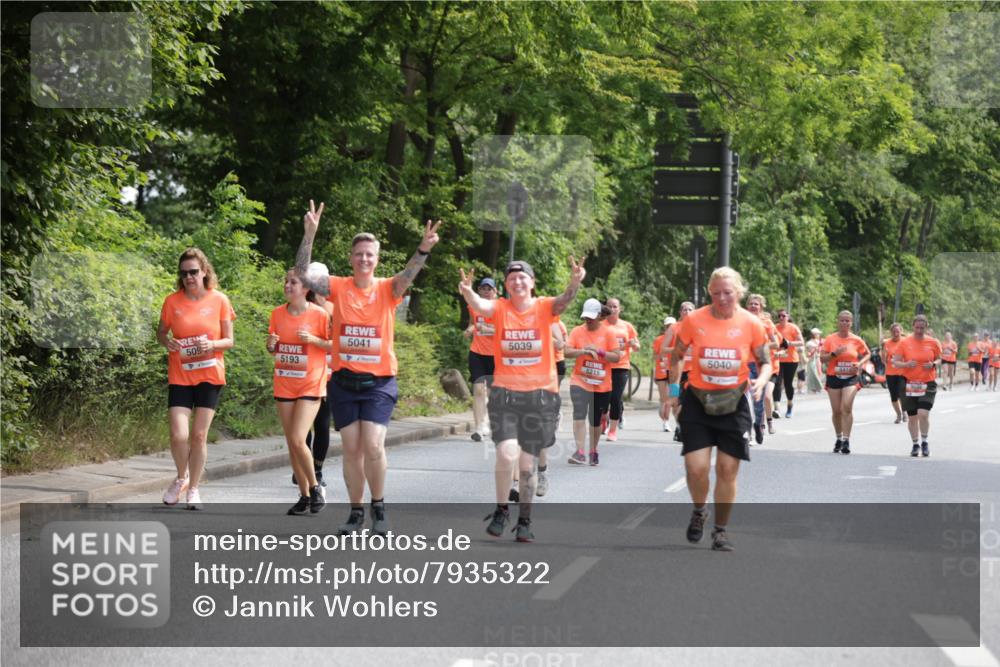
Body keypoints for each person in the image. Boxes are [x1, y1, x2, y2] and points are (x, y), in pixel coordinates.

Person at [295, 199, 441, 535]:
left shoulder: (388, 289)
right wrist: (309, 235)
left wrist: (422, 249)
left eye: (369, 255)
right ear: (351, 258)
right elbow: (302, 274)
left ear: (376, 261)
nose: (364, 259)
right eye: (358, 254)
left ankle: (379, 505)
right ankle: (356, 512)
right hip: (344, 381)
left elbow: (410, 274)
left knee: (373, 445)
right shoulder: (338, 286)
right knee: (352, 448)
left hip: (379, 382)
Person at [459, 257, 585, 543]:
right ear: (506, 285)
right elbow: (481, 305)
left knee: (527, 465)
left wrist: (575, 282)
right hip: (505, 394)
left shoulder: (543, 308)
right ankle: (502, 509)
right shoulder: (500, 308)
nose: (517, 281)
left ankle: (525, 519)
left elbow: (565, 301)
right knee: (506, 454)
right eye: (512, 278)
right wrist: (467, 291)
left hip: (539, 396)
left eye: (522, 277)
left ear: (532, 282)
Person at [667, 267, 771, 553]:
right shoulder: (693, 320)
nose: (722, 298)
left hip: (735, 402)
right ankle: (700, 510)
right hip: (698, 401)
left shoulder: (751, 323)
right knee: (696, 467)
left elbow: (766, 361)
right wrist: (674, 393)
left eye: (728, 293)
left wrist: (761, 381)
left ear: (739, 292)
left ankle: (721, 532)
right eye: (716, 293)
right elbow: (675, 357)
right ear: (709, 294)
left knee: (727, 469)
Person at [157, 248, 236, 511]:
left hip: (209, 375)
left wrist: (210, 345)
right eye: (184, 273)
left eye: (193, 271)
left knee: (199, 436)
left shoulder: (219, 300)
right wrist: (166, 341)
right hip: (180, 374)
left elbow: (229, 340)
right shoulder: (172, 301)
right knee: (179, 434)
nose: (189, 277)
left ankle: (194, 489)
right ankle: (182, 477)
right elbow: (162, 332)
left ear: (204, 271)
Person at [268, 269, 332, 515]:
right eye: (285, 281)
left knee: (298, 437)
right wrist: (271, 346)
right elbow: (274, 348)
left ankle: (315, 488)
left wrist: (314, 341)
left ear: (306, 288)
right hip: (284, 381)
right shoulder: (276, 314)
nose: (287, 285)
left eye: (293, 282)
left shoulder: (319, 315)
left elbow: (333, 344)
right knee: (292, 443)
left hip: (310, 382)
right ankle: (304, 496)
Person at [565, 299, 621, 466]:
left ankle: (593, 450)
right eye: (585, 317)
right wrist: (583, 351)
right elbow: (567, 352)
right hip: (580, 380)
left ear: (598, 315)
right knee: (579, 413)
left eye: (591, 317)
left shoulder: (609, 333)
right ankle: (580, 451)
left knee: (595, 420)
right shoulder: (577, 331)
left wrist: (600, 352)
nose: (587, 320)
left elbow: (617, 357)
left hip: (601, 383)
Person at [299, 263, 334, 493]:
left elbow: (340, 342)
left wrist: (314, 341)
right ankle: (303, 467)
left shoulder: (334, 307)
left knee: (322, 425)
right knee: (303, 429)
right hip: (303, 373)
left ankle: (317, 470)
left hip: (330, 375)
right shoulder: (301, 305)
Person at [820, 311, 870, 454]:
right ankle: (839, 438)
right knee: (836, 411)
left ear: (851, 323)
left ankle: (846, 440)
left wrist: (859, 364)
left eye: (847, 321)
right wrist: (834, 354)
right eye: (842, 320)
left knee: (846, 407)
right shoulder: (830, 339)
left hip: (851, 377)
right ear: (838, 321)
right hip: (834, 376)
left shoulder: (856, 340)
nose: (844, 323)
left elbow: (867, 354)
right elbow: (822, 359)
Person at [893, 315, 942, 457]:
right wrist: (907, 364)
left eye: (922, 327)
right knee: (913, 417)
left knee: (923, 414)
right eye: (917, 327)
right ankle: (915, 444)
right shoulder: (905, 342)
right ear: (913, 326)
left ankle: (925, 442)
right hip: (909, 382)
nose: (919, 330)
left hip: (927, 382)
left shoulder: (933, 342)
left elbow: (940, 358)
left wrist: (933, 364)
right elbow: (896, 362)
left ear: (926, 327)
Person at [464, 277, 497, 442]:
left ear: (495, 292)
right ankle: (478, 427)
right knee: (478, 390)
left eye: (489, 289)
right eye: (483, 288)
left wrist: (488, 329)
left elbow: (505, 330)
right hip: (476, 351)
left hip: (495, 355)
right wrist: (469, 330)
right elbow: (473, 323)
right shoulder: (473, 307)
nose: (486, 291)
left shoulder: (500, 308)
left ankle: (488, 422)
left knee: (491, 393)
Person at [745, 294, 782, 443]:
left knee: (757, 400)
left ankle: (757, 425)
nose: (753, 306)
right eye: (751, 304)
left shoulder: (767, 323)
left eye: (756, 304)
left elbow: (776, 344)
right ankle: (749, 433)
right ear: (747, 305)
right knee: (744, 400)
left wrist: (760, 347)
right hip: (744, 364)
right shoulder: (741, 320)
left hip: (760, 365)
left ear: (761, 306)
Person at [603, 297, 640, 441]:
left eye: (615, 306)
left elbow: (637, 346)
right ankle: (603, 420)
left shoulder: (627, 326)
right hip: (604, 366)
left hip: (621, 366)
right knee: (603, 399)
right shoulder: (600, 326)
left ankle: (612, 431)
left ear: (620, 309)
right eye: (609, 306)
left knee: (615, 397)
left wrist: (633, 344)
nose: (612, 309)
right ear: (605, 308)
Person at [671, 301, 696, 443]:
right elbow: (663, 349)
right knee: (675, 402)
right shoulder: (674, 328)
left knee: (686, 402)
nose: (687, 312)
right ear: (680, 312)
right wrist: (679, 350)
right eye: (684, 310)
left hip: (693, 372)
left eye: (690, 309)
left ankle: (684, 427)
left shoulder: (700, 328)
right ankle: (680, 426)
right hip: (675, 372)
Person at [773, 308, 805, 418]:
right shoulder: (775, 328)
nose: (781, 318)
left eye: (783, 315)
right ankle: (776, 409)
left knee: (788, 384)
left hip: (791, 360)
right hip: (777, 359)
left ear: (788, 317)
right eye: (779, 316)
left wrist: (789, 343)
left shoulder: (793, 327)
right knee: (776, 383)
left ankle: (790, 406)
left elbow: (801, 342)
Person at [653, 316, 677, 432]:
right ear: (665, 327)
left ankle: (675, 424)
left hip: (675, 372)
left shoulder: (679, 339)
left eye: (672, 326)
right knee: (665, 398)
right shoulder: (659, 340)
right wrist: (661, 356)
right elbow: (654, 356)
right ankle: (665, 421)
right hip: (662, 371)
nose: (670, 328)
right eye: (668, 326)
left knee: (674, 397)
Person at [881, 323, 907, 424]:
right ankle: (898, 414)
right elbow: (883, 359)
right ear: (891, 332)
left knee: (902, 393)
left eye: (898, 331)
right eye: (894, 331)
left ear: (901, 331)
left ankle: (904, 412)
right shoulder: (887, 343)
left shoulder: (905, 342)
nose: (896, 333)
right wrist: (886, 361)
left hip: (902, 372)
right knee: (894, 396)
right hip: (890, 373)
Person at [805, 328, 824, 394]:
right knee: (813, 373)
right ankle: (815, 387)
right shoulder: (810, 343)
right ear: (814, 334)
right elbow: (809, 352)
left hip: (818, 359)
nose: (819, 335)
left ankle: (817, 388)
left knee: (818, 373)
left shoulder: (819, 342)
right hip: (812, 359)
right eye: (818, 334)